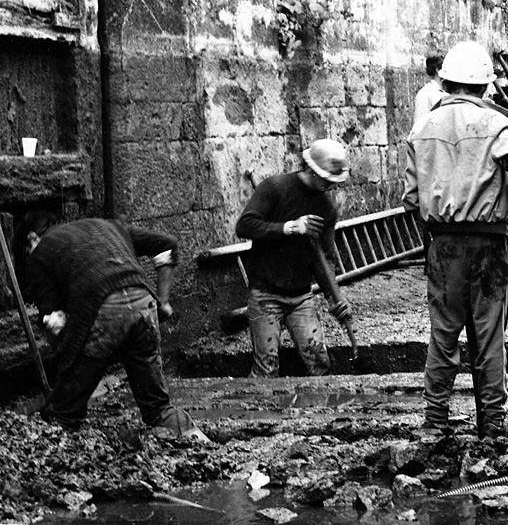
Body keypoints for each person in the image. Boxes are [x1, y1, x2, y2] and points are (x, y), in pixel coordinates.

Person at [403, 40, 508, 440]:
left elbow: (412, 199)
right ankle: (492, 423)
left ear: (445, 82)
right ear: (484, 86)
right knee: (488, 334)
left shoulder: (422, 128)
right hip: (489, 244)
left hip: (443, 245)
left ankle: (435, 420)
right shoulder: (496, 124)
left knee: (443, 332)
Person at [15, 212, 208, 441]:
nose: (29, 259)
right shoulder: (108, 227)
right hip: (143, 304)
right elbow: (167, 247)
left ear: (31, 238)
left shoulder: (40, 253)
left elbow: (55, 321)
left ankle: (58, 457)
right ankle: (202, 445)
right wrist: (163, 302)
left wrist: (68, 369)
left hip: (102, 309)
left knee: (63, 415)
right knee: (157, 407)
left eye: (25, 254)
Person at [235, 138, 353, 377]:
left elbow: (324, 259)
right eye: (327, 180)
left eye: (334, 182)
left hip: (300, 296)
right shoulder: (275, 188)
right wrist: (287, 228)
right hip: (265, 293)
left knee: (319, 362)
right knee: (266, 367)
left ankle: (324, 412)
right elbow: (245, 226)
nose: (330, 186)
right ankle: (260, 411)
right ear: (311, 169)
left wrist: (335, 297)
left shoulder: (326, 208)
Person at [414, 54, 448, 123]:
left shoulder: (447, 92)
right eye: (445, 68)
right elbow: (419, 124)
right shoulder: (425, 94)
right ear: (438, 70)